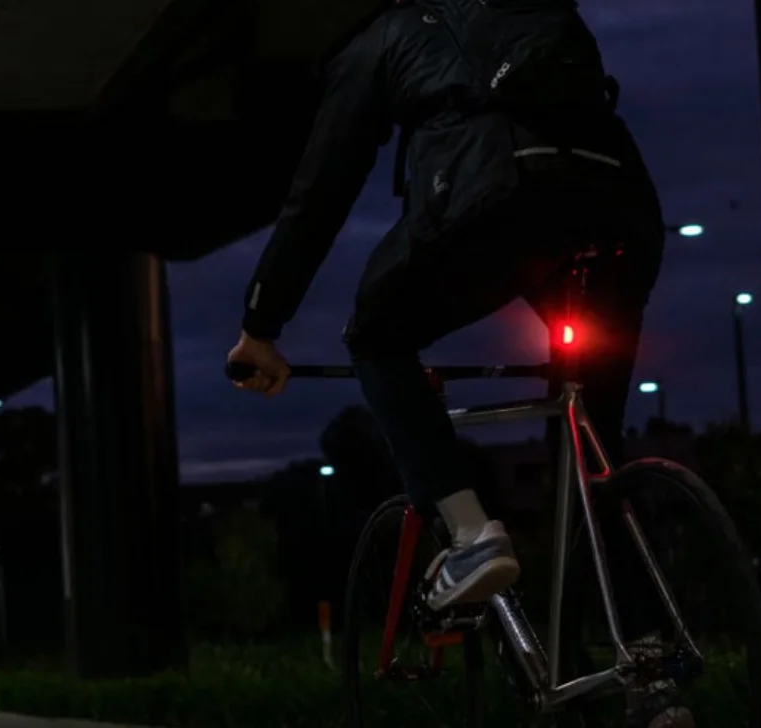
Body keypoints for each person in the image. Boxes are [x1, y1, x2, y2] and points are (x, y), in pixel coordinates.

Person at [224, 0, 664, 615]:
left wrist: (260, 325)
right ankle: (650, 664)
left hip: (499, 194)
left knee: (377, 334)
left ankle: (469, 536)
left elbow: (319, 193)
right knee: (595, 442)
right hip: (622, 208)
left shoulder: (381, 37)